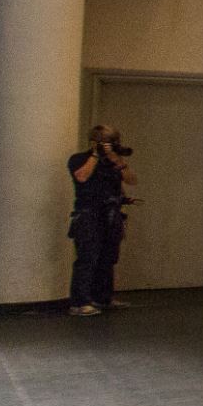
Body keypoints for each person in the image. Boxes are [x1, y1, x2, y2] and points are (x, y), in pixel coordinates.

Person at [66, 124, 135, 315]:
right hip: (88, 214)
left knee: (108, 257)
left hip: (111, 215)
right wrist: (95, 156)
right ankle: (79, 302)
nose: (110, 146)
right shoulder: (79, 159)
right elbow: (81, 177)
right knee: (87, 257)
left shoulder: (114, 163)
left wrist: (116, 160)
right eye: (106, 143)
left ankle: (103, 297)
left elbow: (130, 180)